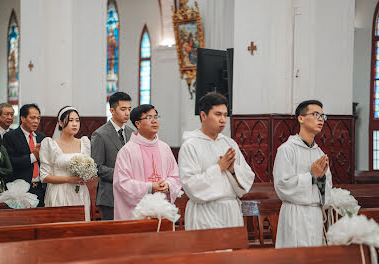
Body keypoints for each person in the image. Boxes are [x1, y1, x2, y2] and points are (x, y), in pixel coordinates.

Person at [178, 92, 255, 230]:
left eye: (225, 115)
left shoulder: (229, 143)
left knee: (232, 251)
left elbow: (247, 178)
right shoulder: (190, 145)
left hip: (231, 211)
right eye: (218, 114)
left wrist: (232, 171)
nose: (223, 120)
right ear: (203, 115)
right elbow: (190, 185)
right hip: (205, 213)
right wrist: (218, 168)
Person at [274, 100, 332, 248]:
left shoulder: (319, 153)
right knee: (295, 262)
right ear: (301, 118)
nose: (321, 119)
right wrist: (312, 176)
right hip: (295, 214)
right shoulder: (286, 150)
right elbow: (282, 186)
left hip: (315, 214)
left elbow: (327, 188)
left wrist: (321, 178)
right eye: (316, 114)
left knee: (315, 262)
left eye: (323, 116)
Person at [113, 104, 182, 220]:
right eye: (149, 118)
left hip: (163, 212)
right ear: (138, 124)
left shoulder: (164, 148)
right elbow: (122, 184)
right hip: (135, 214)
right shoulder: (127, 151)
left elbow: (175, 176)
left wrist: (168, 185)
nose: (154, 121)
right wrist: (150, 187)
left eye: (156, 117)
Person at [40, 106, 91, 221]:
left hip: (80, 193)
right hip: (59, 193)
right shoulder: (50, 144)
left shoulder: (84, 143)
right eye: (71, 120)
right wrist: (68, 180)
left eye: (77, 120)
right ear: (61, 123)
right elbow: (44, 176)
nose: (75, 124)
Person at [91, 92, 134, 220]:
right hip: (110, 195)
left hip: (131, 193)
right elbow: (96, 167)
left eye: (129, 109)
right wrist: (121, 175)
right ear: (112, 110)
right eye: (123, 109)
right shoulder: (100, 134)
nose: (127, 113)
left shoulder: (132, 133)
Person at [3, 104, 46, 206]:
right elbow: (9, 162)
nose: (36, 121)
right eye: (32, 118)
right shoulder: (10, 137)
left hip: (40, 188)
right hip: (20, 190)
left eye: (38, 118)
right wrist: (33, 157)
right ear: (23, 118)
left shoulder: (41, 137)